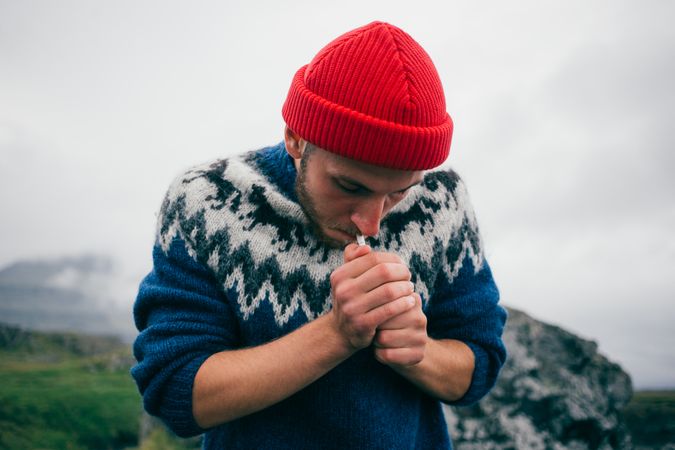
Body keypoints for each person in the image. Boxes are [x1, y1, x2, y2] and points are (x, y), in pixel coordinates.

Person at [131, 21, 507, 449]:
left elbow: (479, 368)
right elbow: (174, 391)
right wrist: (338, 334)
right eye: (350, 187)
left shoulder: (442, 200)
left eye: (399, 193)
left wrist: (416, 350)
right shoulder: (207, 202)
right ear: (295, 137)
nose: (372, 224)